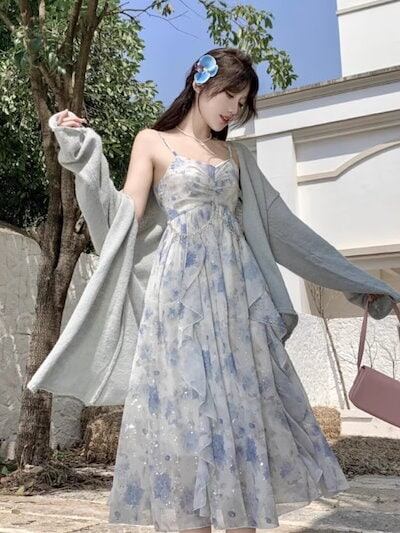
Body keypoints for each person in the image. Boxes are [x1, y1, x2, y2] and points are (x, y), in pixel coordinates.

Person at [54, 48, 387, 531]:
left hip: (236, 304)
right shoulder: (152, 141)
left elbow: (286, 231)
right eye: (229, 94)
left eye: (242, 101)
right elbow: (124, 215)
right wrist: (83, 153)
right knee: (186, 417)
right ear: (199, 83)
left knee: (241, 415)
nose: (234, 108)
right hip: (178, 305)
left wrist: (360, 283)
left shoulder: (237, 158)